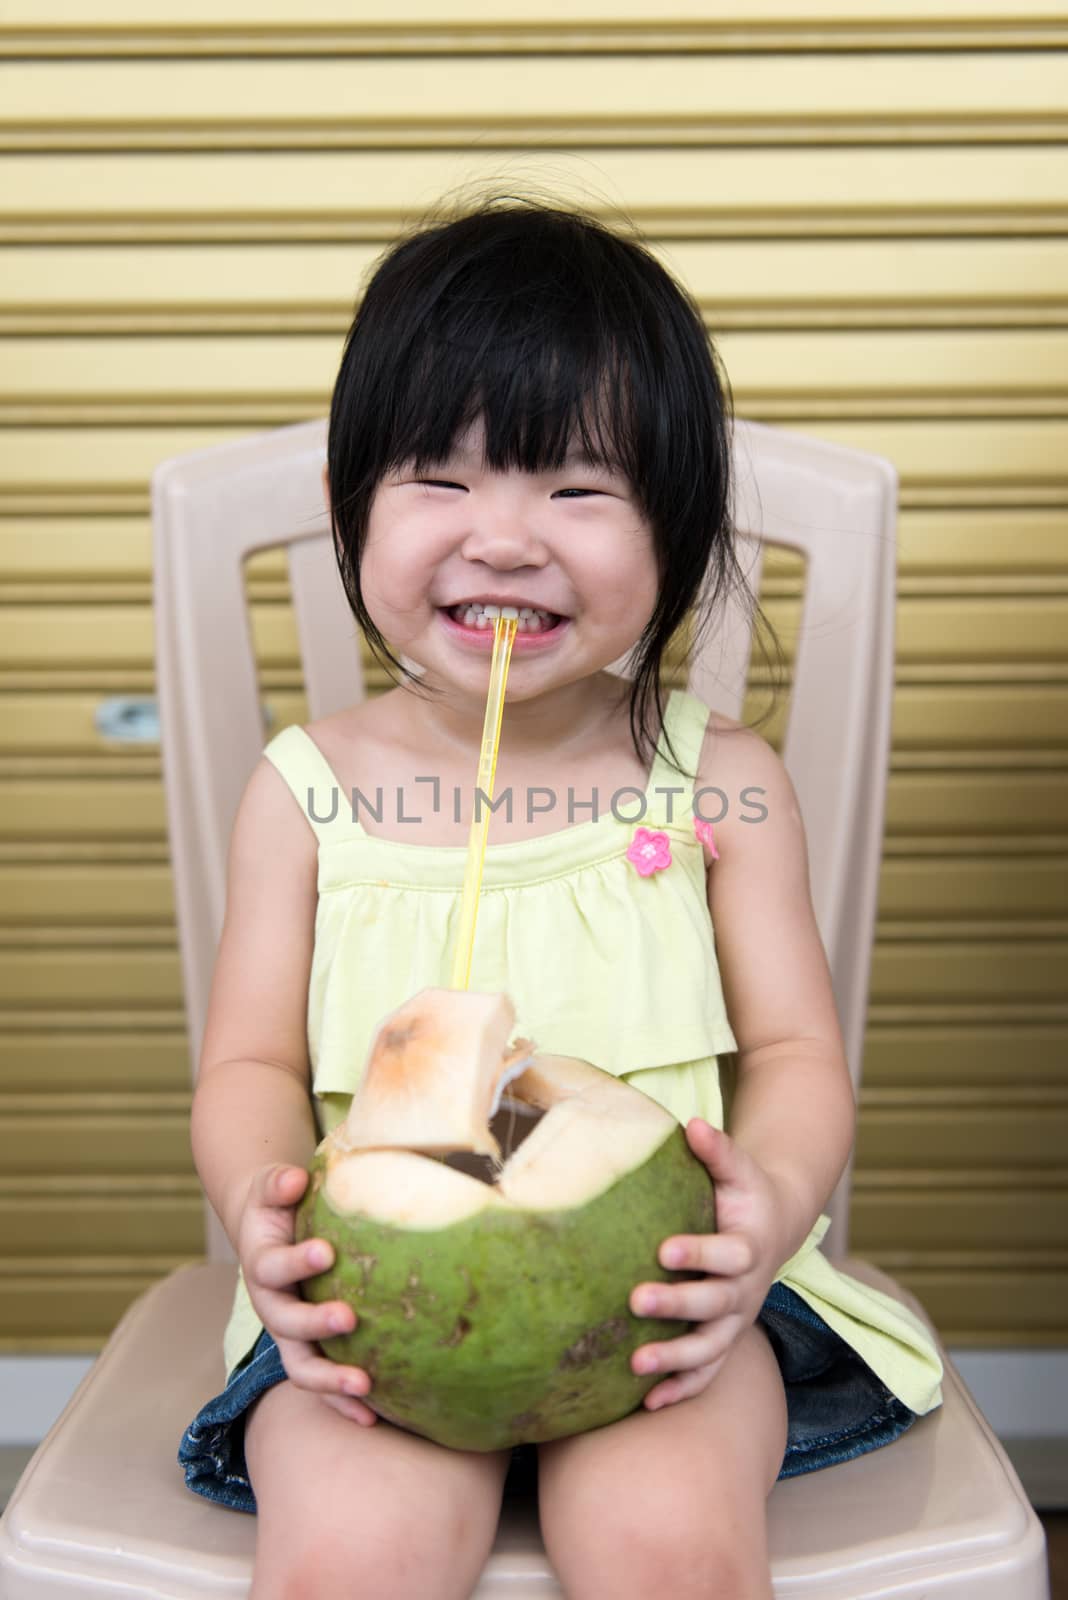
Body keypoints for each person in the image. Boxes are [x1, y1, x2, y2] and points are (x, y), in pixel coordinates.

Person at [178, 190, 944, 1600]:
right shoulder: (306, 791)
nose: (508, 538)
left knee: (668, 1554)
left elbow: (792, 1059)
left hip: (667, 1311)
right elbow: (244, 1065)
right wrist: (261, 1215)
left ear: (677, 531)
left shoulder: (723, 781)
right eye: (441, 478)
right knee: (351, 1559)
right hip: (378, 1308)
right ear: (354, 505)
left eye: (578, 490)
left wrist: (762, 1212)